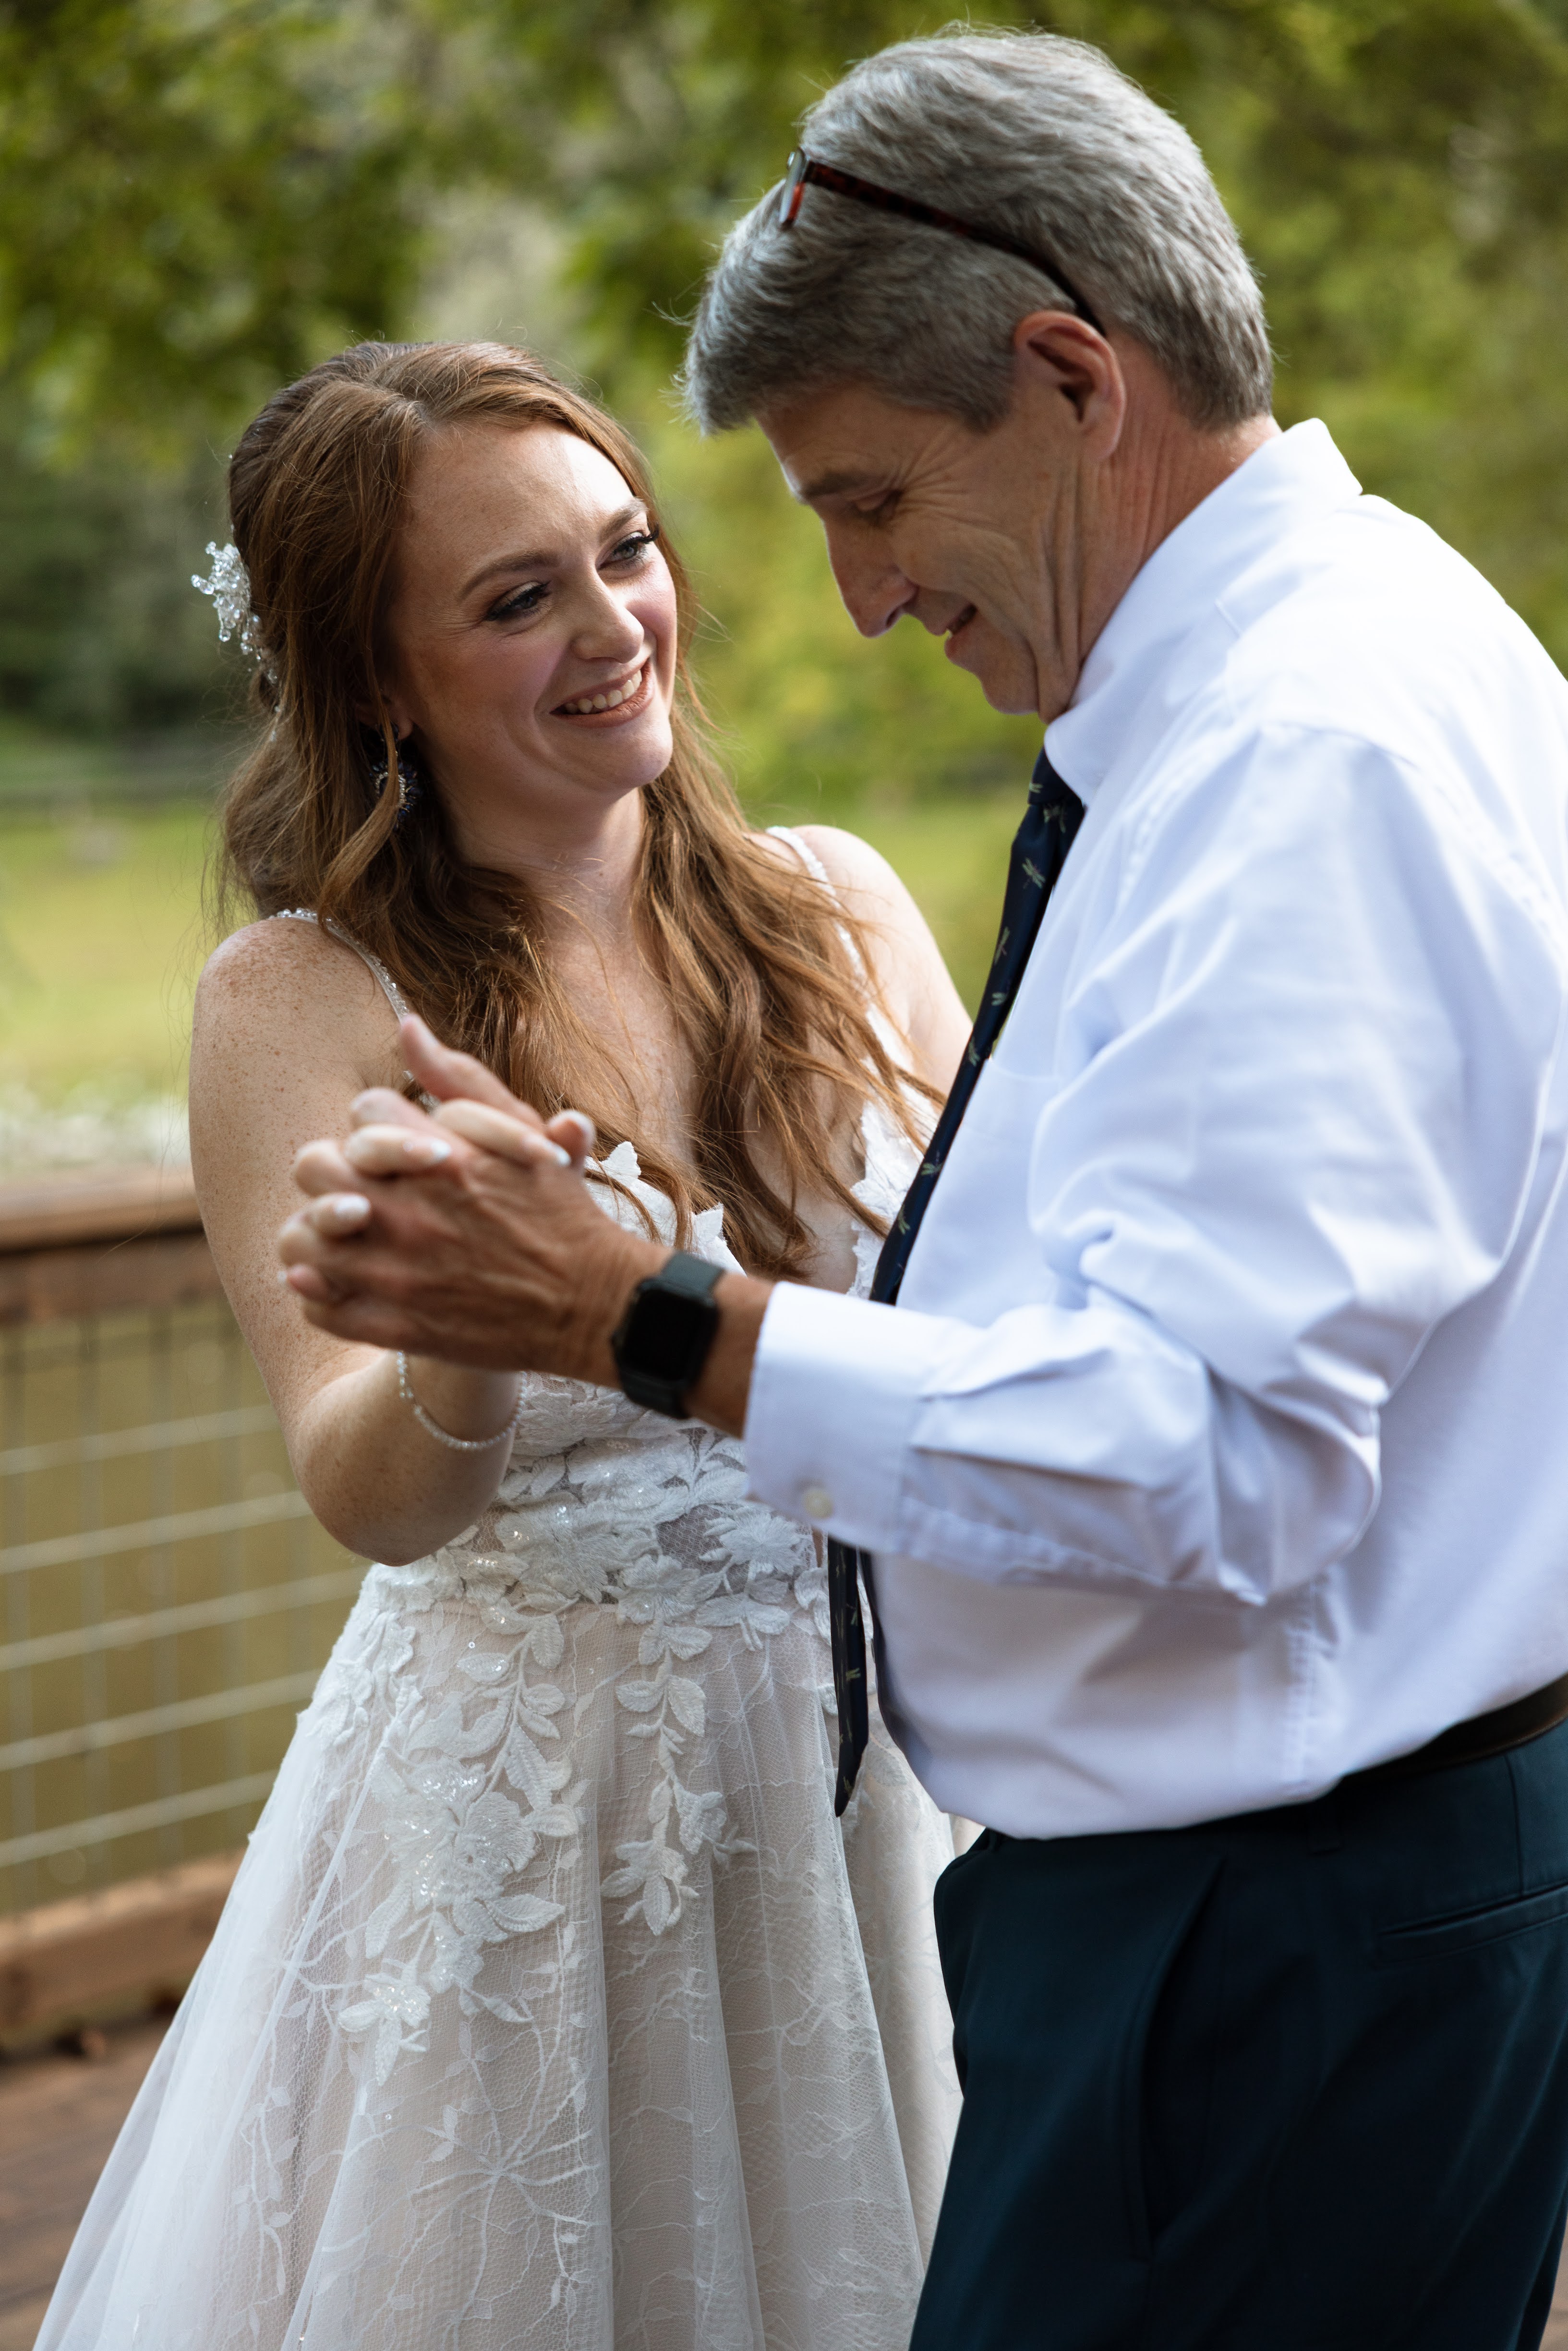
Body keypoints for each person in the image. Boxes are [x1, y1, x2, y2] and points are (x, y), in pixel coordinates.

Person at [277, 30, 1568, 2351]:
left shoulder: (1296, 759)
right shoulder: (1341, 652)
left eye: (870, 499)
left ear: (1071, 375)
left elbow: (1213, 1456)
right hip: (1274, 1911)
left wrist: (638, 1315)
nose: (860, 595)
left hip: (1253, 1959)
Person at [36, 340, 972, 2351]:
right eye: (517, 596)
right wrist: (478, 1329)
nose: (614, 625)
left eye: (624, 549)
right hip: (544, 1847)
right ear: (378, 681)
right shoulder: (305, 997)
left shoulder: (842, 909)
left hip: (883, 1796)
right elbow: (359, 1488)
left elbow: (1001, 1336)